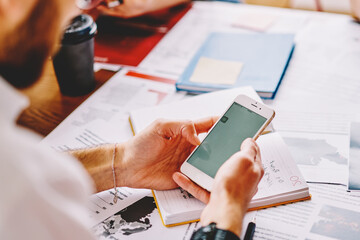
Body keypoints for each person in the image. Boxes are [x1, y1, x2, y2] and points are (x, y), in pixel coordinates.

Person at [0, 0, 264, 239]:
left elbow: (35, 173)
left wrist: (122, 162)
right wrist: (225, 212)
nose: (75, 12)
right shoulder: (20, 187)